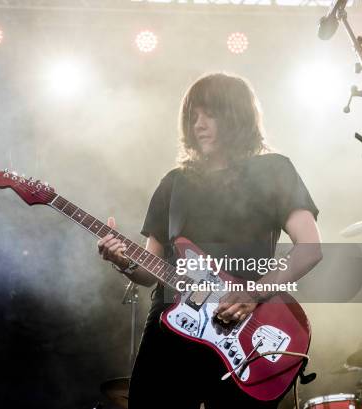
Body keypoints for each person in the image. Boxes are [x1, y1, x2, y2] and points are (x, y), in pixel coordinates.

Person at [97, 72, 322, 408]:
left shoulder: (274, 170)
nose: (198, 125)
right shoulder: (173, 183)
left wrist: (254, 291)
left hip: (241, 327)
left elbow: (310, 248)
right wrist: (123, 261)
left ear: (236, 116)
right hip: (172, 328)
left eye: (209, 114)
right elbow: (149, 268)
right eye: (193, 116)